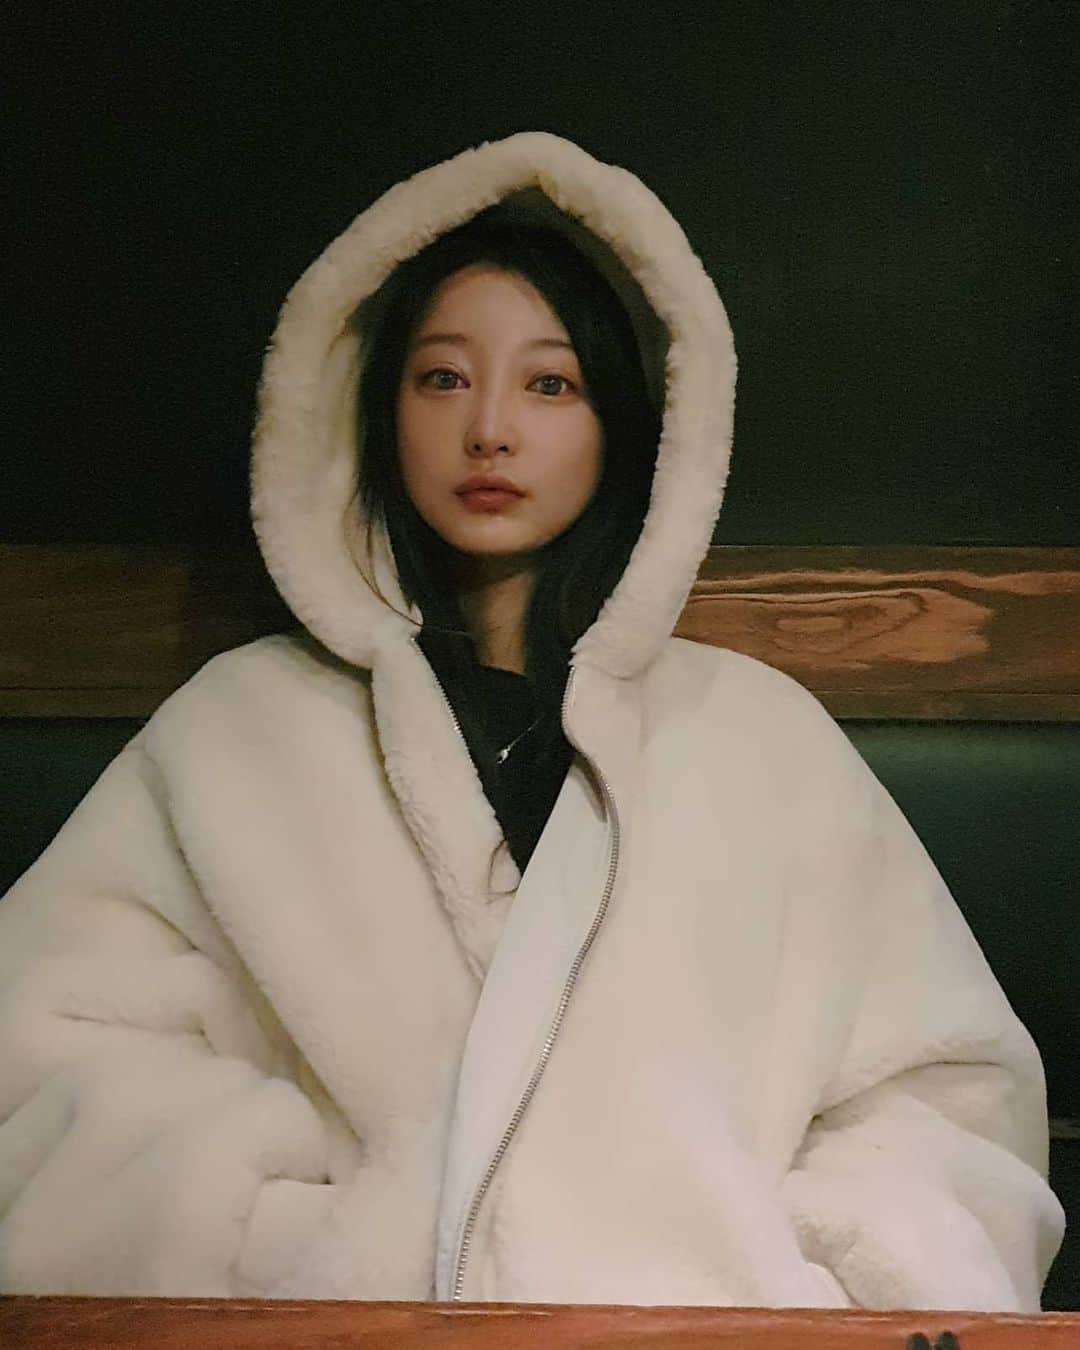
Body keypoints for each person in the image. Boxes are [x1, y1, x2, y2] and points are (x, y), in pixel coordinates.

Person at [0, 132, 1063, 1307]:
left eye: (549, 384)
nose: (490, 430)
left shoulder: (766, 745)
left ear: (627, 425)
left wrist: (786, 1286)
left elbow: (951, 1100)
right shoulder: (238, 735)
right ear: (372, 409)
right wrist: (299, 1245)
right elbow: (34, 1056)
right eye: (443, 378)